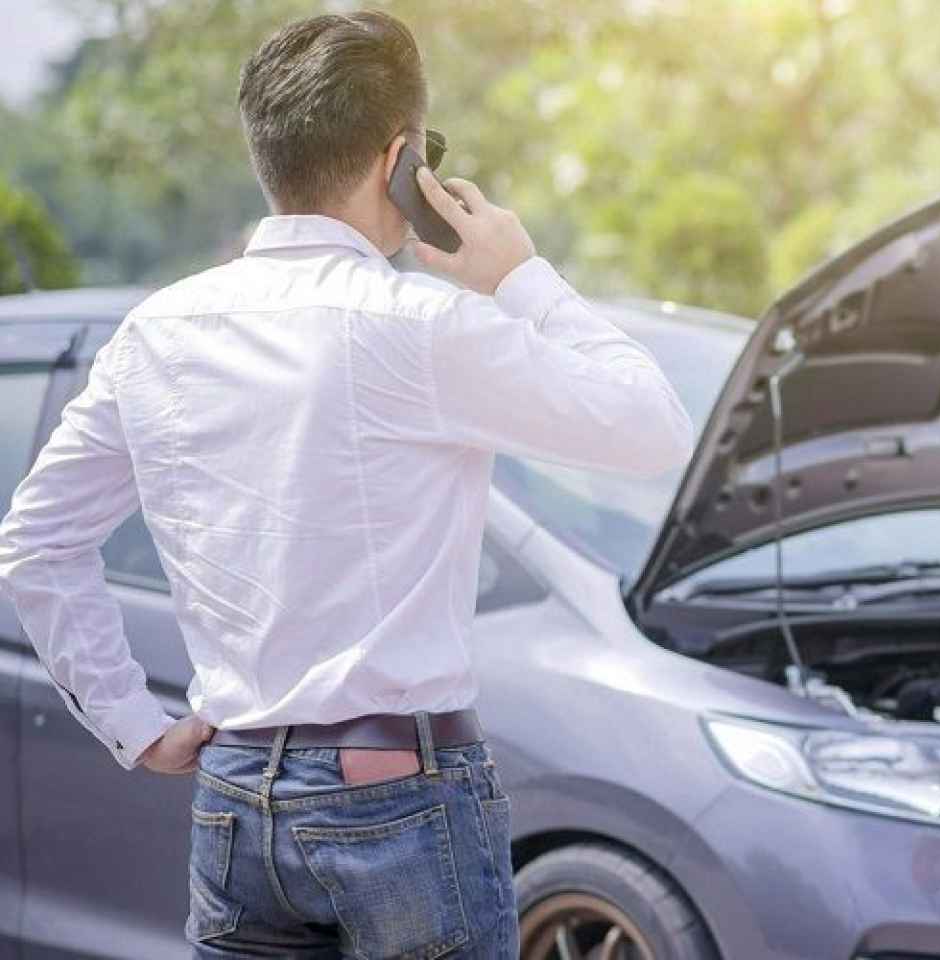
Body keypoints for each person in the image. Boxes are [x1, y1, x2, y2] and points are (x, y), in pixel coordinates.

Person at [0, 10, 693, 958]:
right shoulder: (422, 325)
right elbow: (652, 426)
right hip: (400, 793)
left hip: (234, 797)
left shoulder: (156, 333)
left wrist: (133, 723)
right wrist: (522, 278)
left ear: (268, 154)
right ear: (400, 157)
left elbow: (35, 543)